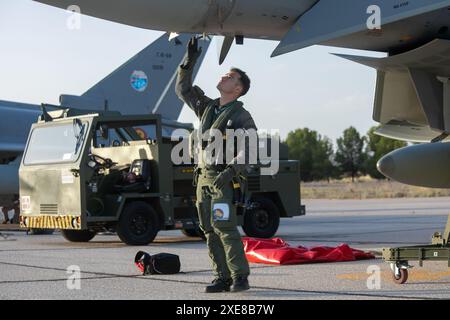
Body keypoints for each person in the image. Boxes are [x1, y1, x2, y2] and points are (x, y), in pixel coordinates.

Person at [176, 37, 257, 293]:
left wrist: (230, 172)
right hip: (203, 180)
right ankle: (221, 277)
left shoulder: (241, 116)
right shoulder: (207, 108)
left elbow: (250, 150)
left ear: (238, 88)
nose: (224, 76)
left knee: (224, 226)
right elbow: (183, 90)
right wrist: (189, 60)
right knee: (208, 230)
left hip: (223, 180)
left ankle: (240, 276)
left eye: (230, 76)